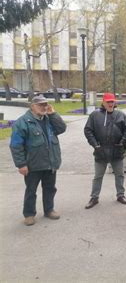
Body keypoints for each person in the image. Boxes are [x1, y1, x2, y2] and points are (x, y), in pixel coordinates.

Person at [9, 95, 67, 226]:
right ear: (32, 106)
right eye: (40, 105)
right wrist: (21, 164)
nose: (44, 107)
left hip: (50, 162)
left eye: (45, 104)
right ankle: (29, 214)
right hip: (33, 164)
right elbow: (16, 145)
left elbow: (62, 129)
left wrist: (53, 114)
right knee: (31, 190)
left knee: (50, 188)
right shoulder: (22, 122)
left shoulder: (49, 119)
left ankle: (49, 210)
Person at [84, 93, 126, 209]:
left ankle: (120, 195)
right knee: (98, 176)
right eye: (108, 102)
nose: (110, 104)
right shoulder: (95, 115)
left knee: (120, 175)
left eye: (112, 102)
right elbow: (88, 130)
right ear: (103, 102)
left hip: (117, 149)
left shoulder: (120, 114)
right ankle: (94, 197)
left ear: (115, 103)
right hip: (101, 150)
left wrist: (122, 142)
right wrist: (95, 145)